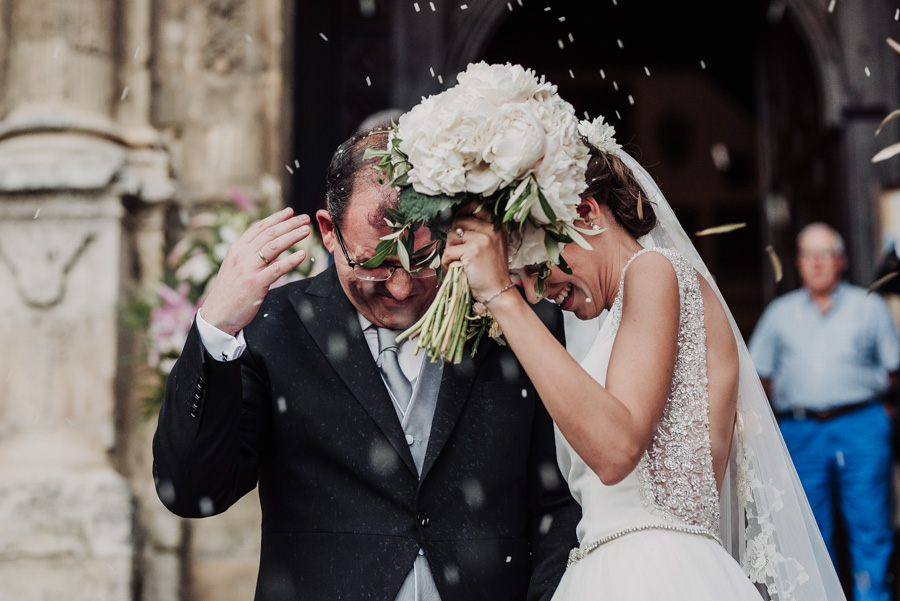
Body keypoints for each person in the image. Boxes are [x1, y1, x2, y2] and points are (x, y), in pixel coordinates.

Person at [151, 127, 580, 601]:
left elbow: (559, 503)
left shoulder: (518, 326)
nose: (400, 288)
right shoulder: (273, 327)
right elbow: (190, 491)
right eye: (376, 264)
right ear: (329, 232)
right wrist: (215, 329)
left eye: (422, 261)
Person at [442, 131, 847, 600]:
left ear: (586, 212)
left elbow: (616, 450)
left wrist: (501, 298)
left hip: (658, 574)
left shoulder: (655, 270)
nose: (535, 292)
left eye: (536, 269)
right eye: (520, 277)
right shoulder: (619, 313)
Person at [749, 222, 900, 601]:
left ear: (841, 261)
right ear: (798, 263)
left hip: (860, 425)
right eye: (808, 255)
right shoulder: (779, 314)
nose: (816, 264)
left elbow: (895, 371)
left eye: (825, 255)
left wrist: (884, 416)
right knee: (808, 529)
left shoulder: (869, 307)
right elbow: (756, 378)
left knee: (870, 526)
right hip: (800, 431)